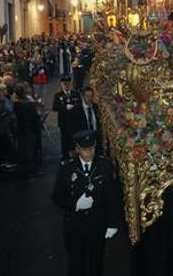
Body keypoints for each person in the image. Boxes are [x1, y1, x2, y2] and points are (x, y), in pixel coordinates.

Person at [51, 131, 121, 276]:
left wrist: (113, 223)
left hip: (97, 222)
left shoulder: (105, 165)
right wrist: (75, 204)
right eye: (85, 149)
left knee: (96, 261)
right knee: (77, 263)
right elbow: (57, 196)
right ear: (77, 149)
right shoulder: (67, 168)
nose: (89, 152)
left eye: (92, 148)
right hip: (75, 225)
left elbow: (112, 197)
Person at [53, 76, 81, 160]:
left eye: (68, 84)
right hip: (63, 121)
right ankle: (65, 156)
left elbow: (80, 106)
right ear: (61, 85)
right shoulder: (58, 95)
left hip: (74, 121)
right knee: (65, 139)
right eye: (64, 84)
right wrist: (65, 107)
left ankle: (75, 155)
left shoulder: (76, 94)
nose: (66, 86)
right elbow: (55, 107)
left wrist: (74, 107)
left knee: (74, 138)